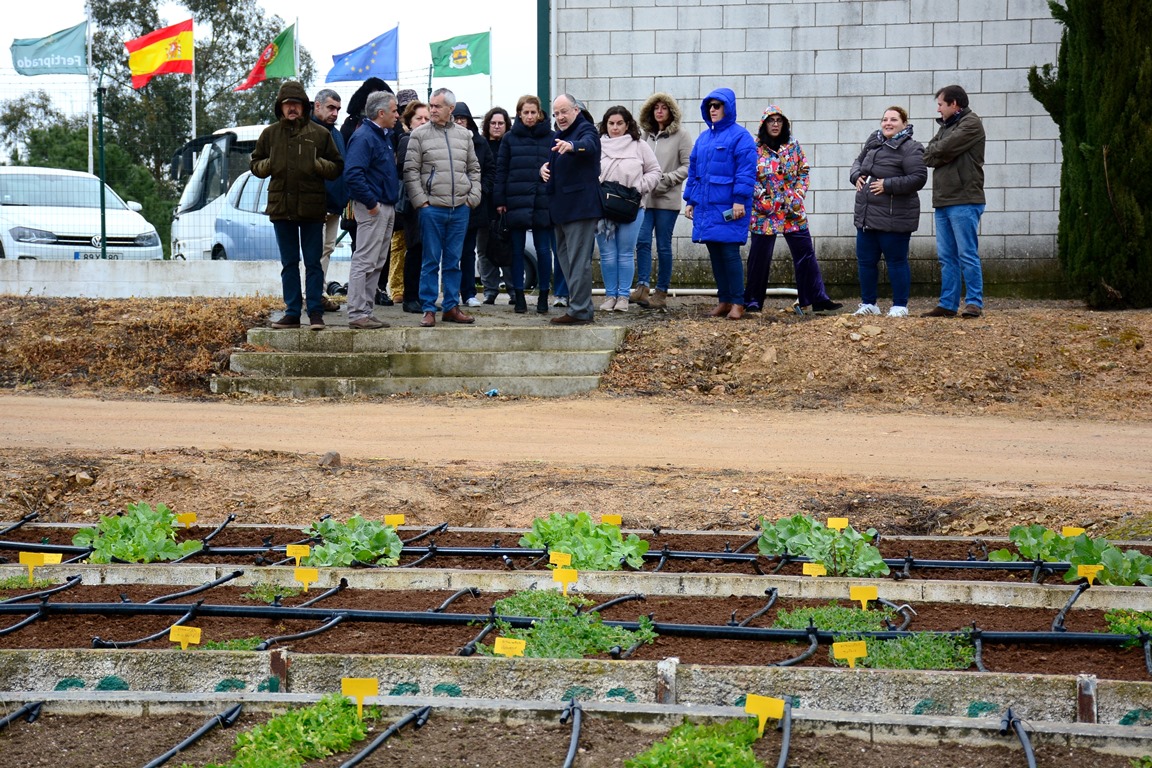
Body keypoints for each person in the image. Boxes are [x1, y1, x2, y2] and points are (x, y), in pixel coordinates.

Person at [250, 81, 344, 330]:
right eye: (287, 104)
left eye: (296, 104)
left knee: (313, 263)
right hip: (281, 209)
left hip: (313, 209)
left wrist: (316, 165)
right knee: (289, 263)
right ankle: (292, 312)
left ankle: (315, 313)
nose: (292, 108)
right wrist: (269, 164)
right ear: (280, 108)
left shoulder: (320, 134)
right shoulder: (269, 134)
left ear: (304, 106)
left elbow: (337, 167)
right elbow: (255, 164)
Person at [745, 105, 842, 316]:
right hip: (765, 213)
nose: (776, 124)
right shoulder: (754, 149)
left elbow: (803, 171)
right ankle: (753, 301)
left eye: (779, 120)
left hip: (792, 210)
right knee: (759, 257)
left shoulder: (793, 146)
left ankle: (817, 298)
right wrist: (761, 196)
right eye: (771, 120)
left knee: (805, 253)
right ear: (764, 124)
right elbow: (747, 177)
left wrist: (797, 195)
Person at [403, 87, 481, 327]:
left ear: (450, 109)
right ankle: (428, 308)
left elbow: (474, 170)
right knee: (430, 260)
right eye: (431, 105)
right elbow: (410, 171)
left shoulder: (465, 136)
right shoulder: (419, 135)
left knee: (453, 261)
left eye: (437, 106)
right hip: (432, 209)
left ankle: (451, 306)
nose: (432, 110)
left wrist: (472, 198)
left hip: (460, 208)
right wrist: (422, 203)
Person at [683, 88, 756, 320]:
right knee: (715, 251)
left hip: (729, 206)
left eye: (717, 105)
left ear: (728, 108)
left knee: (729, 252)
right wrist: (691, 200)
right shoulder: (703, 138)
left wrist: (739, 201)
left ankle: (738, 302)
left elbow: (746, 172)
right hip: (706, 206)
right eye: (710, 106)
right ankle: (724, 300)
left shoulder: (741, 137)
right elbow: (694, 171)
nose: (713, 109)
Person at [848, 106, 928, 317]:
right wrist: (856, 175)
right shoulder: (873, 141)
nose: (888, 123)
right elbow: (857, 161)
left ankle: (900, 305)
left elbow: (919, 177)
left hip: (895, 217)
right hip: (866, 215)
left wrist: (888, 185)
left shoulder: (911, 148)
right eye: (885, 119)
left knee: (896, 261)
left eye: (893, 119)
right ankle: (869, 304)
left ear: (904, 123)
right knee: (865, 262)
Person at [922, 84, 987, 319]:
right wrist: (941, 153)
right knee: (946, 256)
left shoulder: (971, 123)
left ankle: (973, 303)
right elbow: (928, 155)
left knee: (966, 254)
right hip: (943, 201)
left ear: (954, 104)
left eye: (941, 104)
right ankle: (947, 304)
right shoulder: (946, 126)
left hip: (965, 199)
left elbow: (944, 147)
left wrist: (942, 152)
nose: (938, 109)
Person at [542, 93, 601, 325]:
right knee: (566, 262)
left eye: (564, 111)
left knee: (577, 262)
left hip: (580, 209)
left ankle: (580, 311)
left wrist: (573, 146)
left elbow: (590, 146)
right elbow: (555, 166)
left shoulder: (586, 130)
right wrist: (543, 171)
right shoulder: (559, 135)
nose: (560, 117)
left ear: (576, 110)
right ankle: (580, 307)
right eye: (556, 113)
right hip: (561, 210)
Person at [344, 91, 400, 330]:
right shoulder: (364, 137)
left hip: (385, 206)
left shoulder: (382, 136)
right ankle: (357, 312)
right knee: (364, 260)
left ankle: (366, 310)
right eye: (395, 110)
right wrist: (371, 203)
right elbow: (353, 174)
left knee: (377, 261)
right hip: (373, 208)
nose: (398, 115)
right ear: (381, 113)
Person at [596, 105, 661, 312]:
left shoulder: (639, 145)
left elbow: (655, 171)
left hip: (631, 207)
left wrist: (639, 188)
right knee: (607, 254)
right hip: (603, 208)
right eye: (611, 123)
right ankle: (610, 295)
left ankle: (623, 297)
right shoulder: (597, 146)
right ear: (605, 125)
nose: (615, 128)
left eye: (619, 123)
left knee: (625, 253)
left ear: (627, 124)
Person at [495, 95, 556, 313]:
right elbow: (501, 170)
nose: (530, 116)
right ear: (519, 113)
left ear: (539, 113)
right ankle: (519, 296)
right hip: (516, 199)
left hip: (542, 200)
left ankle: (543, 296)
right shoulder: (509, 138)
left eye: (533, 112)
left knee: (542, 250)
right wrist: (500, 200)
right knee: (517, 251)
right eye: (525, 112)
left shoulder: (552, 137)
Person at [632, 92, 692, 310]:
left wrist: (667, 179)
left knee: (664, 246)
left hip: (667, 200)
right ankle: (642, 287)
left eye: (663, 107)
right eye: (655, 107)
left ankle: (661, 291)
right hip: (646, 199)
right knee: (642, 241)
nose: (659, 111)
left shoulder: (682, 136)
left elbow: (688, 165)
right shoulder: (645, 136)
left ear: (671, 111)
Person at [451, 102, 494, 308]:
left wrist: (480, 192)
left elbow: (489, 171)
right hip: (449, 204)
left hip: (473, 206)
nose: (459, 122)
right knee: (450, 253)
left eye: (463, 118)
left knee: (469, 252)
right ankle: (450, 294)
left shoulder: (480, 143)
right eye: (456, 118)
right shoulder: (446, 140)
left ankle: (468, 293)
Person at [310, 88, 348, 313]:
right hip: (316, 203)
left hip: (334, 204)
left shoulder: (336, 133)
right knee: (316, 251)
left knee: (327, 248)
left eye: (337, 109)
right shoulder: (308, 131)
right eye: (330, 108)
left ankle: (319, 293)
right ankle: (314, 295)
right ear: (317, 105)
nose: (335, 113)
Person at [383, 88, 421, 307]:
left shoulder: (421, 128)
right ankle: (396, 288)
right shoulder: (394, 130)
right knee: (397, 244)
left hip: (411, 196)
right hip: (399, 194)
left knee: (414, 245)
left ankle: (409, 289)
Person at [397, 101, 431, 314]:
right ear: (409, 122)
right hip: (413, 205)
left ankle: (423, 296)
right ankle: (410, 297)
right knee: (415, 249)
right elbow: (404, 169)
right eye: (419, 118)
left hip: (432, 202)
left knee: (428, 252)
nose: (424, 122)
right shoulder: (406, 140)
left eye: (427, 119)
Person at [478, 106, 514, 304]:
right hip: (485, 206)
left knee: (508, 250)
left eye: (501, 123)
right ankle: (490, 290)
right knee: (484, 250)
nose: (497, 126)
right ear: (487, 125)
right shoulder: (482, 145)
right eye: (493, 123)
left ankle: (512, 290)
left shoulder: (510, 145)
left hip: (507, 207)